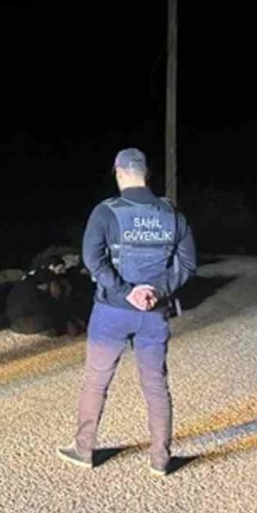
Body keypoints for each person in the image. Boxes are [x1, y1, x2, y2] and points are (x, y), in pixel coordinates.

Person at [58, 148, 197, 476]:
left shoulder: (106, 212)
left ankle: (84, 449)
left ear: (118, 172)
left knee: (96, 381)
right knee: (156, 385)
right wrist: (156, 291)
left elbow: (93, 259)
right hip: (153, 312)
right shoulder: (172, 214)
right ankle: (160, 458)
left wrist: (126, 291)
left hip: (112, 312)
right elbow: (188, 264)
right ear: (146, 174)